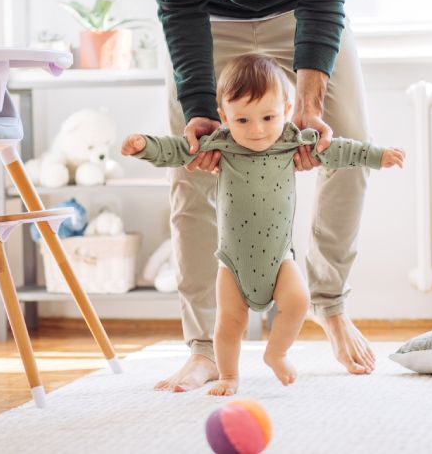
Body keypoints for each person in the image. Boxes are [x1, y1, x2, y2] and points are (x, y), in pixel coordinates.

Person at [154, 0, 381, 391]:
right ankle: (204, 346)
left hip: (300, 10)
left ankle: (329, 305)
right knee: (191, 170)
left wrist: (309, 110)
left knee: (348, 145)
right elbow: (179, 6)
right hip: (206, 18)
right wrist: (201, 111)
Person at [122, 54, 405, 395]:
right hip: (233, 264)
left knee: (298, 301)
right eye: (242, 119)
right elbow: (178, 151)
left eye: (268, 117)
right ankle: (227, 375)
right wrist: (144, 147)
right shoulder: (222, 143)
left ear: (287, 111)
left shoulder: (292, 140)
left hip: (279, 260)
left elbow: (341, 151)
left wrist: (378, 155)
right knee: (229, 324)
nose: (256, 130)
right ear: (223, 116)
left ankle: (277, 352)